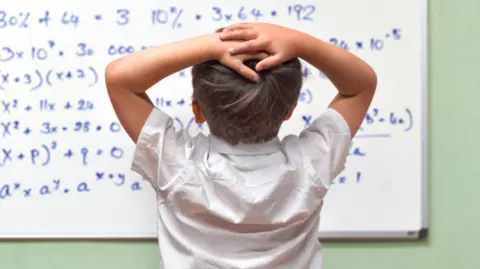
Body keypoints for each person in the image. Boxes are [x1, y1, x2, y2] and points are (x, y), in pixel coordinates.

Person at [105, 23, 377, 269]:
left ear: (197, 110)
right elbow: (361, 86)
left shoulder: (177, 165)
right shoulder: (311, 163)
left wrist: (211, 46)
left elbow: (119, 78)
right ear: (289, 111)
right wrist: (299, 42)